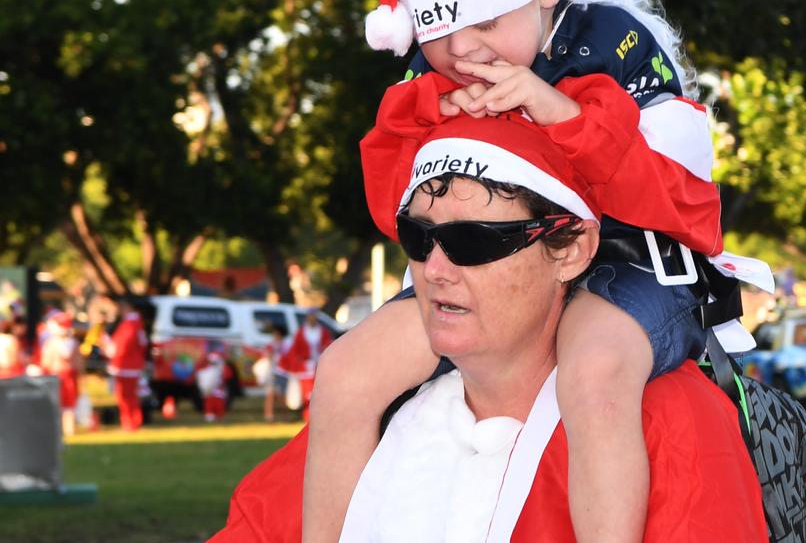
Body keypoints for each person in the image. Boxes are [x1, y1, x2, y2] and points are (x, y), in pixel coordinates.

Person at [304, 0, 773, 543]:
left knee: (595, 372)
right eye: (438, 31)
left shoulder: (619, 47)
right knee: (343, 371)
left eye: (487, 22)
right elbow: (391, 212)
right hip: (487, 263)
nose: (463, 52)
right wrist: (424, 120)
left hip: (634, 260)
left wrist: (563, 120)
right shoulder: (424, 77)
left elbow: (688, 210)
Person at [212, 82, 767, 541]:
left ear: (570, 250)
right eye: (418, 235)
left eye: (474, 240)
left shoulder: (669, 420)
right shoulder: (362, 425)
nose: (434, 269)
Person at [278, 310, 332, 421]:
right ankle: (307, 416)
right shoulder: (301, 333)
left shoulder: (323, 332)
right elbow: (295, 350)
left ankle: (316, 415)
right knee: (307, 393)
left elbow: (328, 345)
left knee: (318, 392)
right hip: (304, 367)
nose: (312, 319)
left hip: (319, 366)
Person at [104, 297, 148, 431]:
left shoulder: (130, 324)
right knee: (131, 395)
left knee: (125, 396)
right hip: (132, 365)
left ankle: (130, 422)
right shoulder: (136, 323)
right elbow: (143, 343)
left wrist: (108, 347)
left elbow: (122, 346)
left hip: (125, 365)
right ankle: (133, 421)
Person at [40, 312, 84, 436]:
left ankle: (63, 428)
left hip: (59, 376)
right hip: (66, 376)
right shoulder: (73, 343)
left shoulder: (52, 343)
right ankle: (68, 429)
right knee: (67, 405)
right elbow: (79, 364)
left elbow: (46, 362)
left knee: (61, 403)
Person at [262, 325, 288, 422]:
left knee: (282, 395)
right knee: (270, 394)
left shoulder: (286, 345)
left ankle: (285, 415)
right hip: (272, 372)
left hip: (282, 372)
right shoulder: (271, 345)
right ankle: (269, 416)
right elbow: (266, 356)